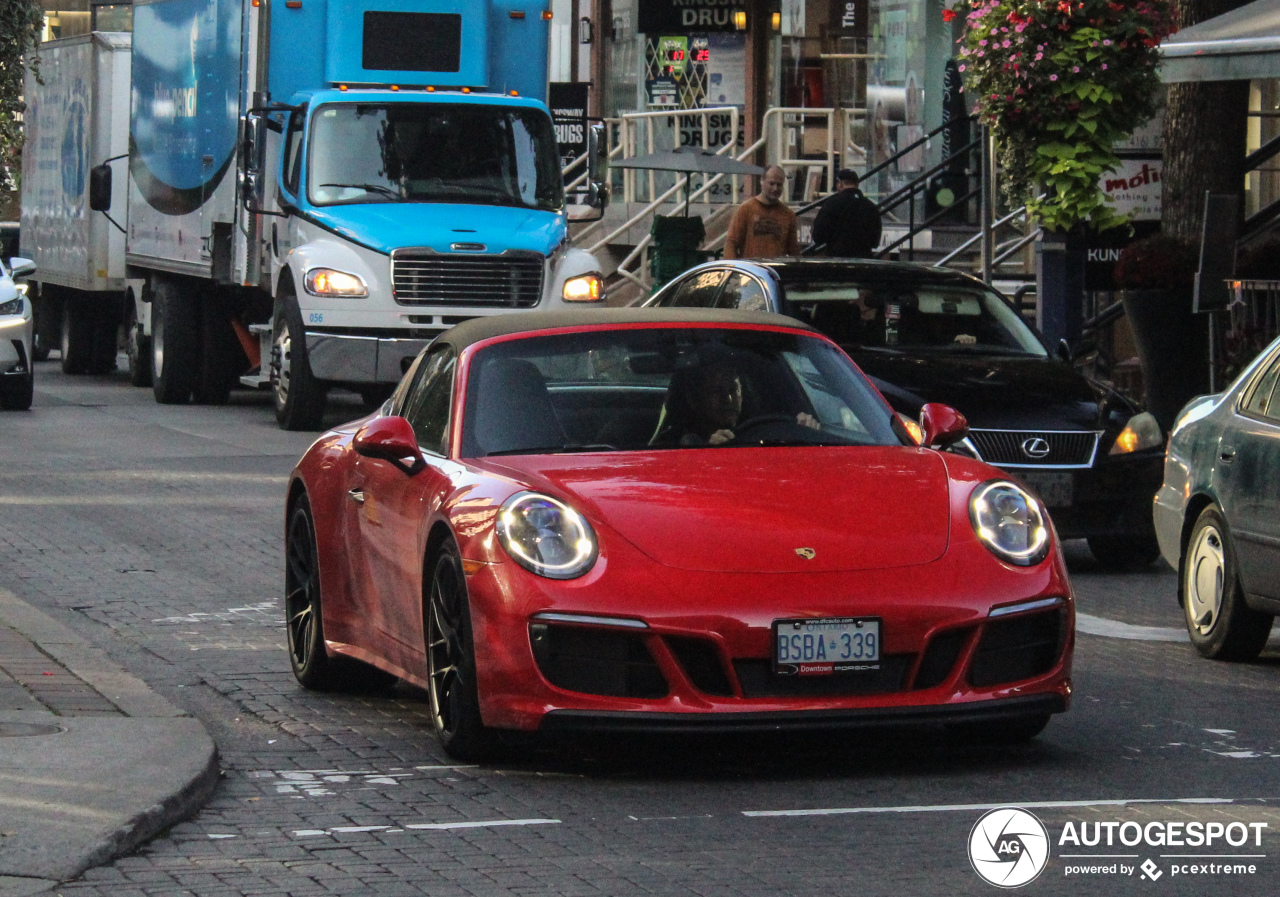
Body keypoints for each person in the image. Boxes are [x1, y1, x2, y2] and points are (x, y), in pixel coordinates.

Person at [651, 355, 818, 446]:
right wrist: (707, 452)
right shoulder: (671, 443)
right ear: (695, 400)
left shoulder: (768, 431)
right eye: (717, 391)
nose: (728, 399)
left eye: (733, 390)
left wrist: (805, 433)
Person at [724, 165, 800, 260]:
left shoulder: (788, 215)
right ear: (762, 181)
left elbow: (794, 250)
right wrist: (733, 268)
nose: (775, 188)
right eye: (771, 183)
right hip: (751, 271)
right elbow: (731, 243)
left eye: (779, 184)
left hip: (775, 272)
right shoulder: (746, 209)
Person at [811, 169, 882, 258]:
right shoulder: (871, 207)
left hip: (837, 262)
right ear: (857, 184)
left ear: (840, 184)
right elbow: (875, 242)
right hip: (863, 262)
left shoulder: (830, 205)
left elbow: (818, 236)